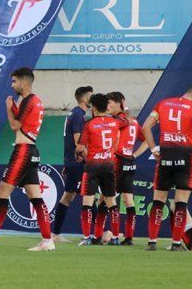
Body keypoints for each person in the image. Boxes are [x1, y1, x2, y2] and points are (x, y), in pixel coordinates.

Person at [0, 67, 55, 252]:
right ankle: (47, 240)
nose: (12, 85)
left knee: (2, 192)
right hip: (32, 149)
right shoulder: (36, 101)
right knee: (35, 196)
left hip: (23, 151)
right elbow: (24, 122)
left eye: (14, 81)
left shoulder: (28, 101)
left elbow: (15, 125)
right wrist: (15, 107)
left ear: (24, 82)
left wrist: (9, 108)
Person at [141, 85, 192, 251]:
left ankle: (152, 242)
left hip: (165, 154)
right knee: (181, 202)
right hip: (185, 156)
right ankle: (177, 244)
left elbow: (145, 127)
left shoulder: (163, 103)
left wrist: (153, 148)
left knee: (158, 200)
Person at [74, 93, 122, 246]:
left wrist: (78, 155)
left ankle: (87, 237)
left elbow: (80, 147)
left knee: (87, 203)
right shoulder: (115, 123)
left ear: (93, 108)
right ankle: (115, 238)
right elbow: (123, 127)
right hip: (109, 166)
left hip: (92, 167)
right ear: (106, 107)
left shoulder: (89, 124)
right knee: (112, 203)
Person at [51, 86, 92, 243]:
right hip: (78, 162)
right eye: (90, 96)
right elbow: (77, 142)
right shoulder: (78, 115)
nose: (92, 98)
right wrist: (92, 156)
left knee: (69, 196)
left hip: (71, 161)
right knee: (86, 195)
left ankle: (56, 233)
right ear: (83, 98)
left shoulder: (74, 113)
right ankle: (98, 233)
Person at [107, 91, 147, 245]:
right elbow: (146, 141)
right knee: (128, 201)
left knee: (107, 199)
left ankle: (113, 236)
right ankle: (129, 237)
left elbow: (115, 142)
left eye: (110, 103)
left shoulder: (118, 122)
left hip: (117, 162)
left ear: (118, 103)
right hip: (130, 163)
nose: (108, 106)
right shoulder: (134, 122)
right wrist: (134, 155)